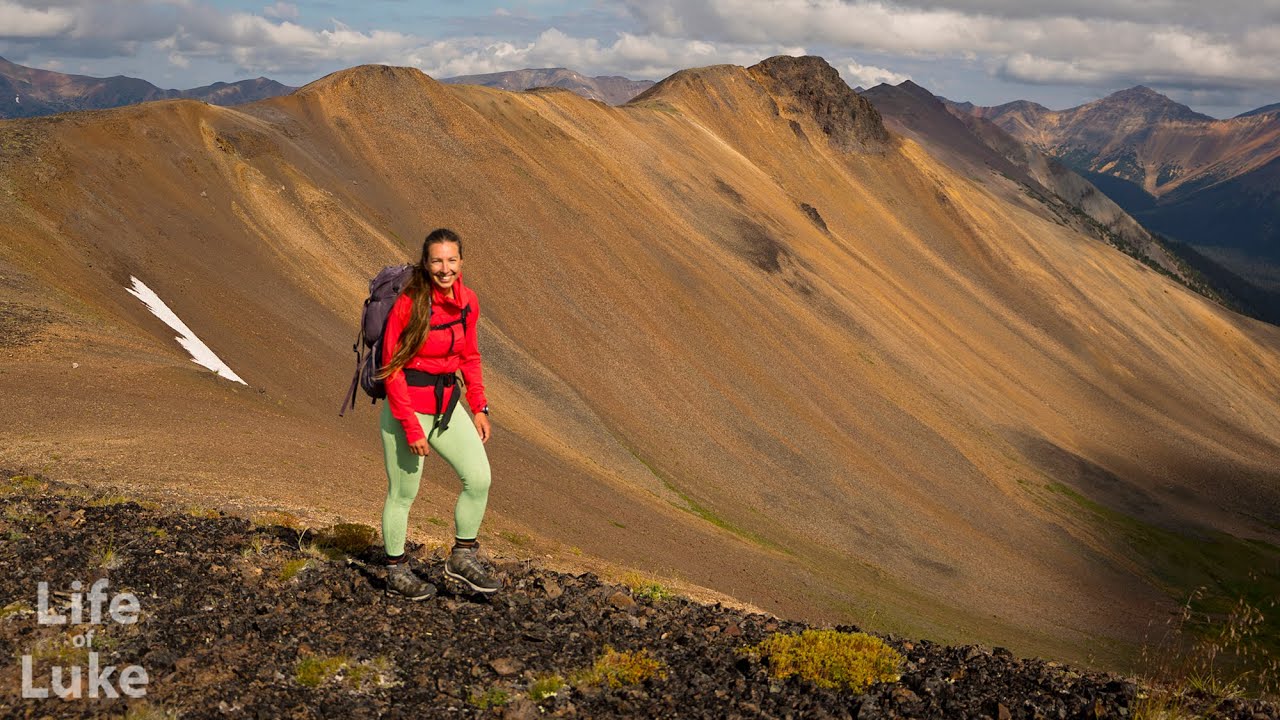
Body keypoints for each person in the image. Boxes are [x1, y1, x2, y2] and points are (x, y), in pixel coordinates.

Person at [375, 227, 500, 599]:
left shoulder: (468, 301)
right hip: (407, 409)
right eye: (437, 261)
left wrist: (479, 407)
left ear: (461, 261)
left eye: (451, 260)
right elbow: (391, 369)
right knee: (403, 493)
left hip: (446, 406)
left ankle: (462, 557)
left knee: (479, 478)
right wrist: (411, 427)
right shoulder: (410, 304)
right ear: (426, 264)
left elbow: (470, 357)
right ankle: (396, 572)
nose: (445, 269)